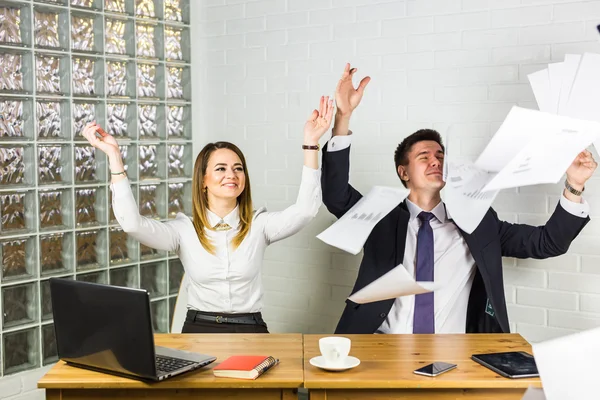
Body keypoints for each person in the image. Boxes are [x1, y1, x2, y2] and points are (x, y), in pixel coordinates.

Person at [322, 63, 597, 334]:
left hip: (452, 356)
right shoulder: (379, 216)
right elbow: (336, 195)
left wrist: (574, 184)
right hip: (379, 348)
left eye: (440, 156)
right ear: (403, 171)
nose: (435, 162)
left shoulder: (477, 221)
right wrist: (342, 118)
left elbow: (547, 243)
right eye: (424, 157)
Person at [82, 96, 335, 333]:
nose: (231, 175)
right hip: (198, 329)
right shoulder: (183, 231)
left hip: (251, 328)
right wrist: (114, 156)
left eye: (238, 168)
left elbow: (306, 210)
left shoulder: (260, 225)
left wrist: (311, 144)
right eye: (221, 168)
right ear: (203, 180)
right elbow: (132, 224)